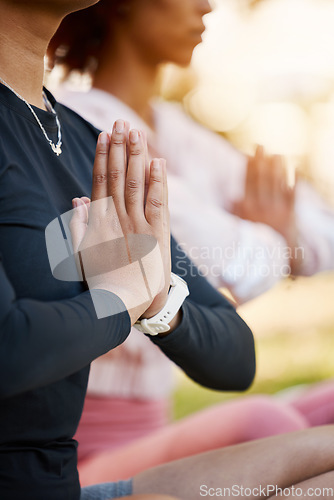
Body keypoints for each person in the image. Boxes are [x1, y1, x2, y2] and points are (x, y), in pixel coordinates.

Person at [1, 1, 334, 499]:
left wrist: (159, 301)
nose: (207, 4)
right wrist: (123, 299)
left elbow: (235, 358)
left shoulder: (85, 141)